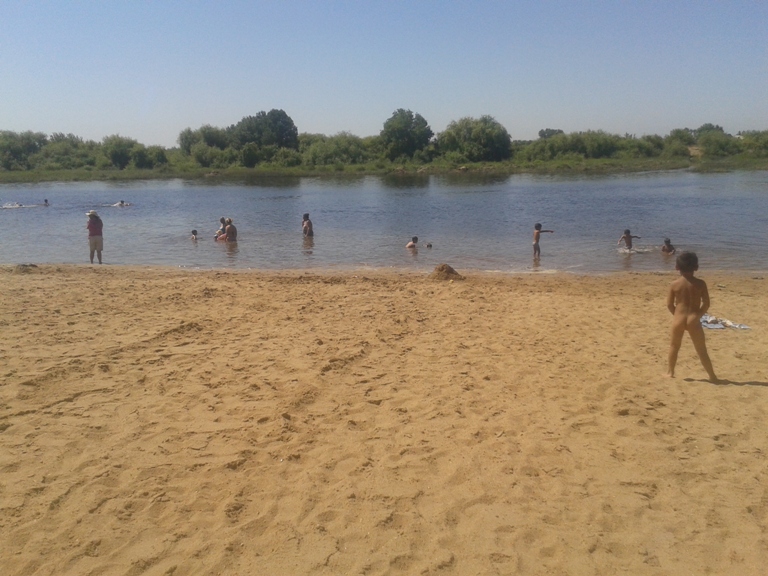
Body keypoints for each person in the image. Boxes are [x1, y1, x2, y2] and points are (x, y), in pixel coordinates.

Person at [666, 251, 718, 382]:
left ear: (677, 267)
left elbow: (669, 305)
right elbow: (706, 304)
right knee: (701, 349)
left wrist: (676, 315)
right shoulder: (701, 284)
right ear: (696, 267)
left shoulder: (674, 284)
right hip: (694, 319)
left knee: (674, 346)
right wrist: (698, 315)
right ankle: (712, 376)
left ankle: (670, 373)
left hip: (679, 319)